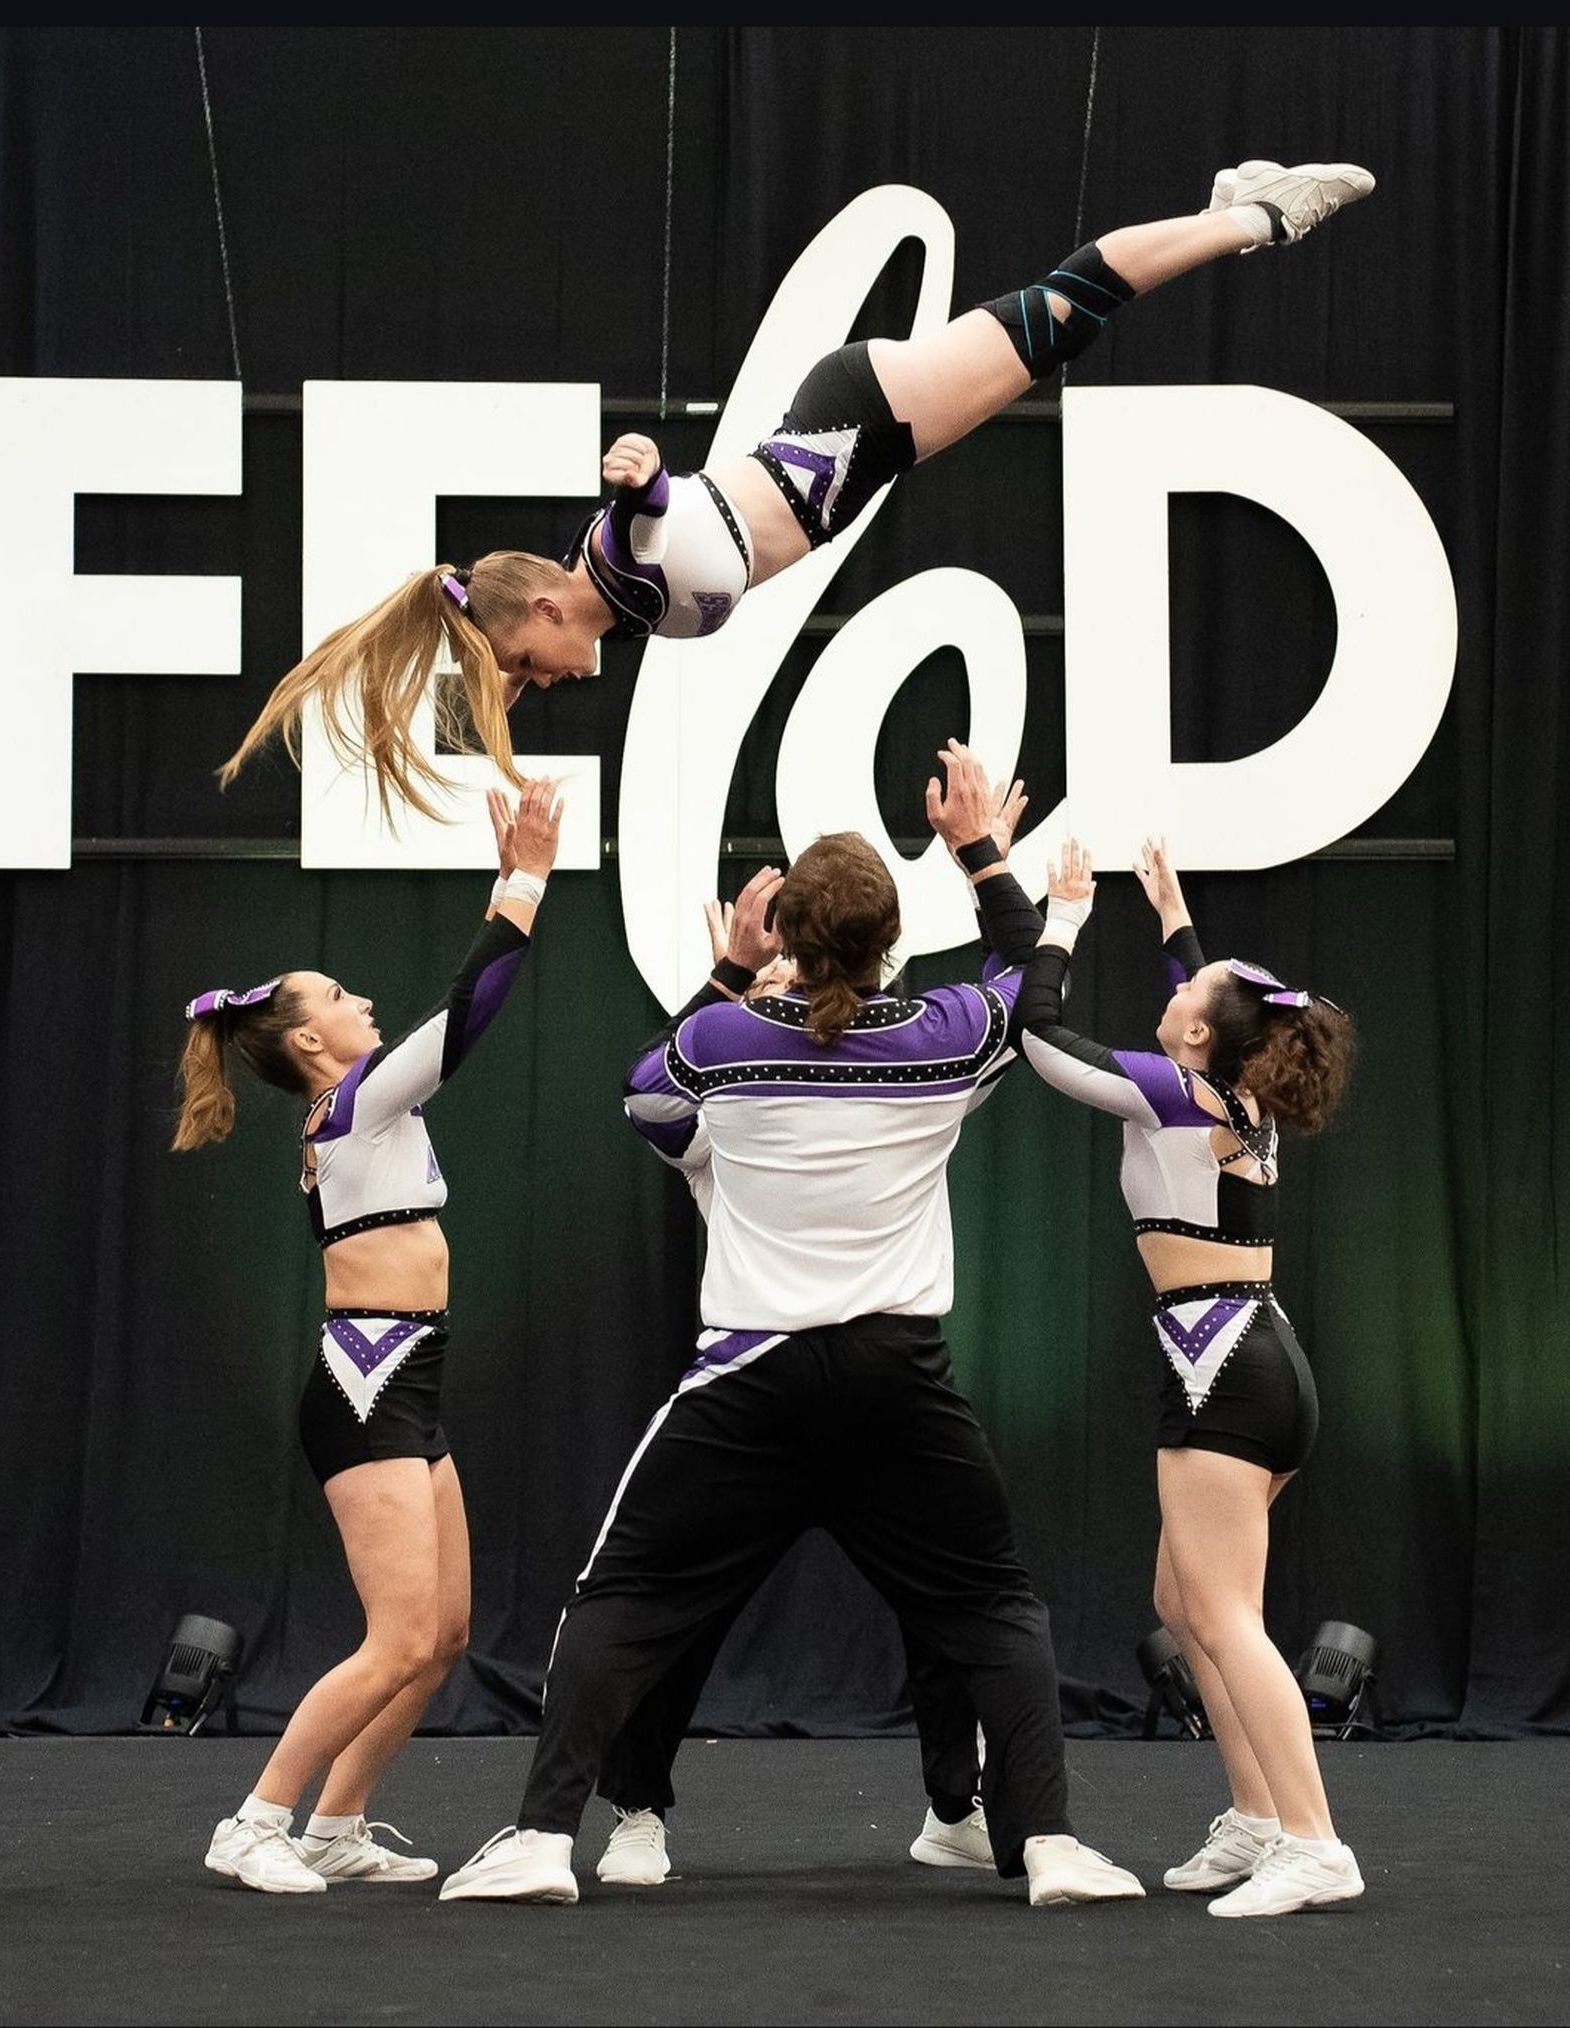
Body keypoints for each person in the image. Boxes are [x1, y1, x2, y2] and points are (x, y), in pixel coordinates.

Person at [439, 810, 1143, 1909]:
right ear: (889, 938)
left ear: (788, 937)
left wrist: (730, 966)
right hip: (895, 1379)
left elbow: (645, 1098)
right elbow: (1022, 980)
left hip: (750, 1381)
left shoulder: (725, 1043)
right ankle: (1046, 1842)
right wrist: (977, 848)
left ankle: (539, 1838)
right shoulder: (949, 1035)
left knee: (620, 1598)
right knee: (995, 1606)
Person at [217, 160, 1374, 820]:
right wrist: (469, 673)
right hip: (859, 449)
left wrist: (636, 469)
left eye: (527, 666)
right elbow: (508, 630)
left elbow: (647, 499)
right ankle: (1233, 209)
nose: (543, 689)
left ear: (544, 609)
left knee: (1063, 312)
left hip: (851, 416)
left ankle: (1252, 213)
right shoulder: (601, 604)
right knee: (1059, 323)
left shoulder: (616, 556)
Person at [935, 759, 1359, 1919]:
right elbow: (1220, 1007)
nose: (1178, 987)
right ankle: (1258, 1817)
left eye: (1189, 986)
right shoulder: (1239, 1088)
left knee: (1224, 1616)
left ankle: (1316, 1840)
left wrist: (1045, 905)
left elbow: (1040, 1033)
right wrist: (1178, 925)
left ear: (1191, 1035)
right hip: (1247, 1358)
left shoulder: (1174, 1094)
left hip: (1226, 1367)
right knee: (1187, 1606)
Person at [173, 779, 563, 1892]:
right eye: (341, 994)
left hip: (408, 1379)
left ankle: (335, 1826)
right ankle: (251, 1823)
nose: (362, 1000)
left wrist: (512, 884)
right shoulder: (351, 1107)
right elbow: (471, 1010)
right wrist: (522, 881)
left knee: (442, 1638)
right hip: (366, 1381)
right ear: (309, 1037)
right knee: (395, 1638)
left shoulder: (369, 1111)